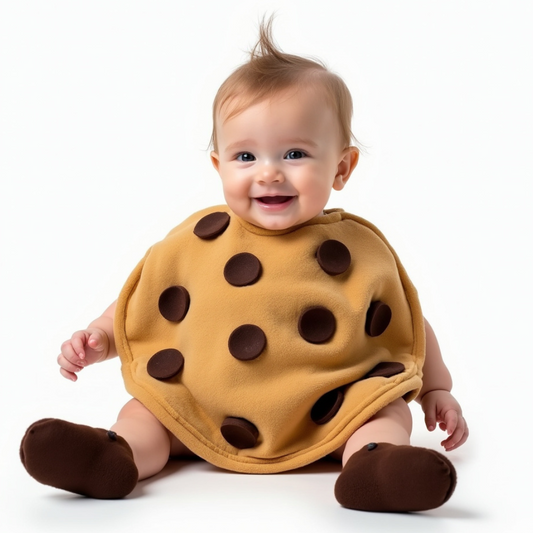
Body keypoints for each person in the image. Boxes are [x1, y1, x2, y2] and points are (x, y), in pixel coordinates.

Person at [20, 19, 468, 513]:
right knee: (151, 411)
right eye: (246, 155)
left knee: (382, 410)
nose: (269, 171)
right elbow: (147, 296)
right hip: (204, 405)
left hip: (332, 409)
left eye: (295, 153)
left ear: (342, 167)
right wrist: (100, 336)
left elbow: (406, 320)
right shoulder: (197, 239)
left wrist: (435, 388)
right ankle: (113, 457)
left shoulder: (358, 249)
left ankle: (373, 467)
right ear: (219, 166)